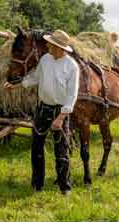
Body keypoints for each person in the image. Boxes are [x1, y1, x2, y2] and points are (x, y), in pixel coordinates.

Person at [4, 30, 80, 195]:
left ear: (59, 47)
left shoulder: (72, 67)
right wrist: (16, 85)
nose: (47, 45)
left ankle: (64, 187)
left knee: (61, 151)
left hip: (60, 112)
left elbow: (72, 95)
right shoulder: (45, 59)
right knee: (36, 148)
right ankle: (37, 184)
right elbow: (35, 78)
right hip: (42, 109)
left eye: (50, 44)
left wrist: (61, 117)